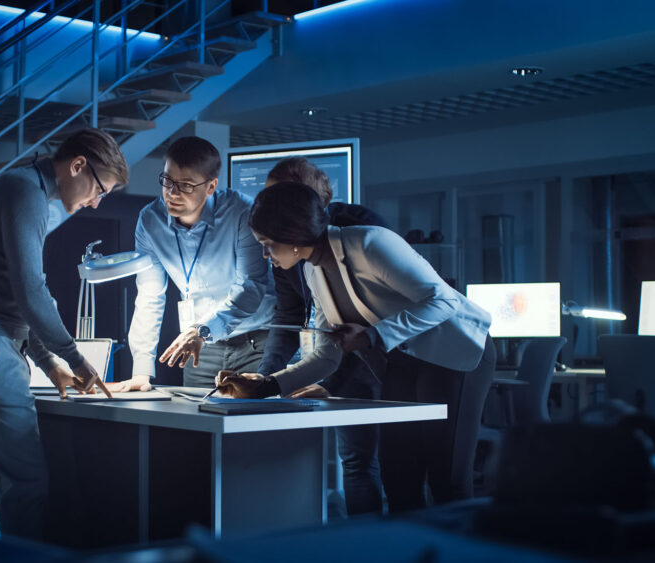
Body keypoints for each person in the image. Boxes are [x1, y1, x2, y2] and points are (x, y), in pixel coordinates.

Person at [219, 181, 495, 512]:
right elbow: (327, 354)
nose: (266, 254)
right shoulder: (313, 270)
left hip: (455, 355)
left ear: (293, 237)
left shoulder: (369, 243)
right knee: (399, 477)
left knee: (446, 477)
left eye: (268, 244)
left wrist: (370, 336)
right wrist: (267, 385)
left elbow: (444, 300)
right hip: (404, 363)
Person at [0, 128, 126, 540]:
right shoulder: (25, 194)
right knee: (27, 484)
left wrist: (49, 364)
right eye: (99, 189)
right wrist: (73, 357)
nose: (96, 202)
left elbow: (16, 295)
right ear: (77, 165)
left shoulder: (24, 188)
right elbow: (30, 290)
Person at [255, 157, 388, 516]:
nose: (272, 209)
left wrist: (330, 381)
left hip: (372, 359)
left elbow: (372, 319)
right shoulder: (281, 244)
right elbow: (289, 315)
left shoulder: (360, 229)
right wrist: (265, 378)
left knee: (364, 463)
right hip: (324, 355)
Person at [114, 136, 275, 391]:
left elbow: (250, 286)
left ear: (211, 186)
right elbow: (149, 295)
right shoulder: (150, 220)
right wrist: (141, 371)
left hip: (256, 343)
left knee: (254, 426)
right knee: (198, 424)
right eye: (167, 181)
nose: (172, 193)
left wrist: (203, 330)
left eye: (186, 185)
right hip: (200, 347)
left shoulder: (242, 212)